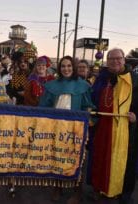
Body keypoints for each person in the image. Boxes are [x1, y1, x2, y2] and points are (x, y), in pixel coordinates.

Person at [39, 55, 95, 204]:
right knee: (56, 157)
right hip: (56, 129)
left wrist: (89, 117)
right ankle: (58, 187)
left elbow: (89, 106)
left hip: (76, 130)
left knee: (78, 160)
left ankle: (77, 191)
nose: (66, 69)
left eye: (69, 66)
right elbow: (43, 106)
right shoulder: (52, 85)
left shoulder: (83, 86)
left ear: (74, 67)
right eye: (63, 66)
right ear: (59, 68)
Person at [89, 48, 138, 203]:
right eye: (111, 58)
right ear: (107, 61)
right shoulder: (101, 78)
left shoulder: (135, 80)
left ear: (124, 59)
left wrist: (136, 116)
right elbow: (93, 98)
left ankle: (122, 193)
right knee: (100, 158)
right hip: (102, 126)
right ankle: (99, 189)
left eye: (118, 58)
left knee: (124, 163)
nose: (115, 61)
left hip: (126, 130)